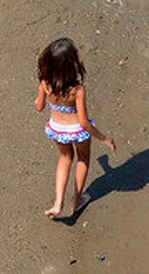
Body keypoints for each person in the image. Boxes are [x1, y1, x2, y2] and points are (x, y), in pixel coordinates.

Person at [34, 37, 116, 219]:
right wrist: (104, 138)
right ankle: (77, 200)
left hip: (57, 129)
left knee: (65, 158)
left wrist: (40, 99)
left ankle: (58, 203)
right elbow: (84, 122)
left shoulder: (44, 83)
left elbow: (39, 107)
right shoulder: (77, 90)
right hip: (77, 131)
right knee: (83, 158)